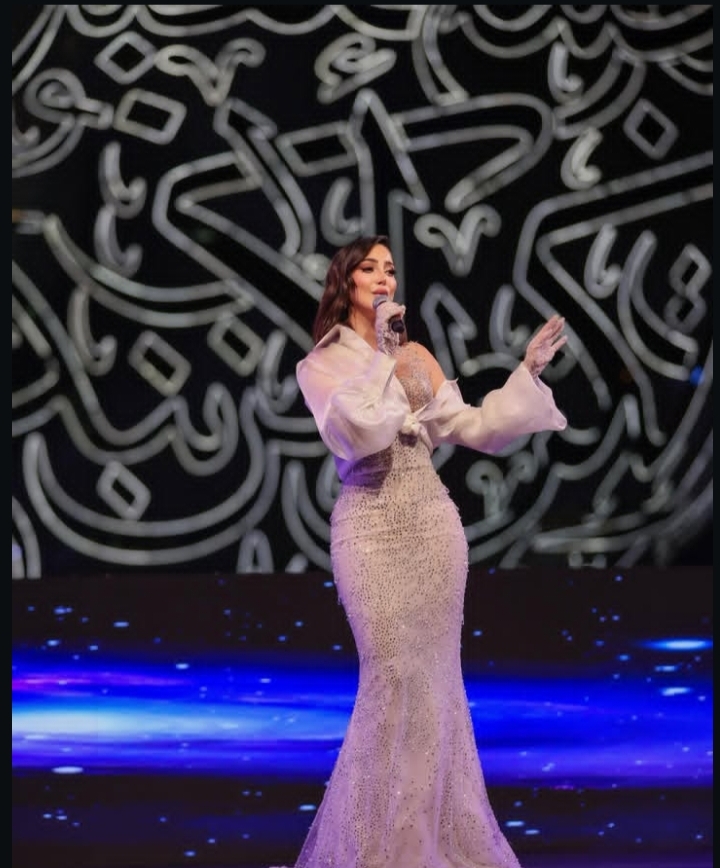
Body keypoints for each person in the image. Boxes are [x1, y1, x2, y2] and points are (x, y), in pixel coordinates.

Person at [276, 235, 567, 868]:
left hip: (432, 526)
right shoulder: (321, 365)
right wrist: (382, 356)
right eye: (369, 269)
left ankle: (428, 848)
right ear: (347, 284)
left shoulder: (415, 356)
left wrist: (527, 373)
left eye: (389, 269)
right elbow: (358, 432)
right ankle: (376, 851)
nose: (383, 278)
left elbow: (474, 428)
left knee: (435, 688)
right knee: (389, 677)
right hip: (369, 528)